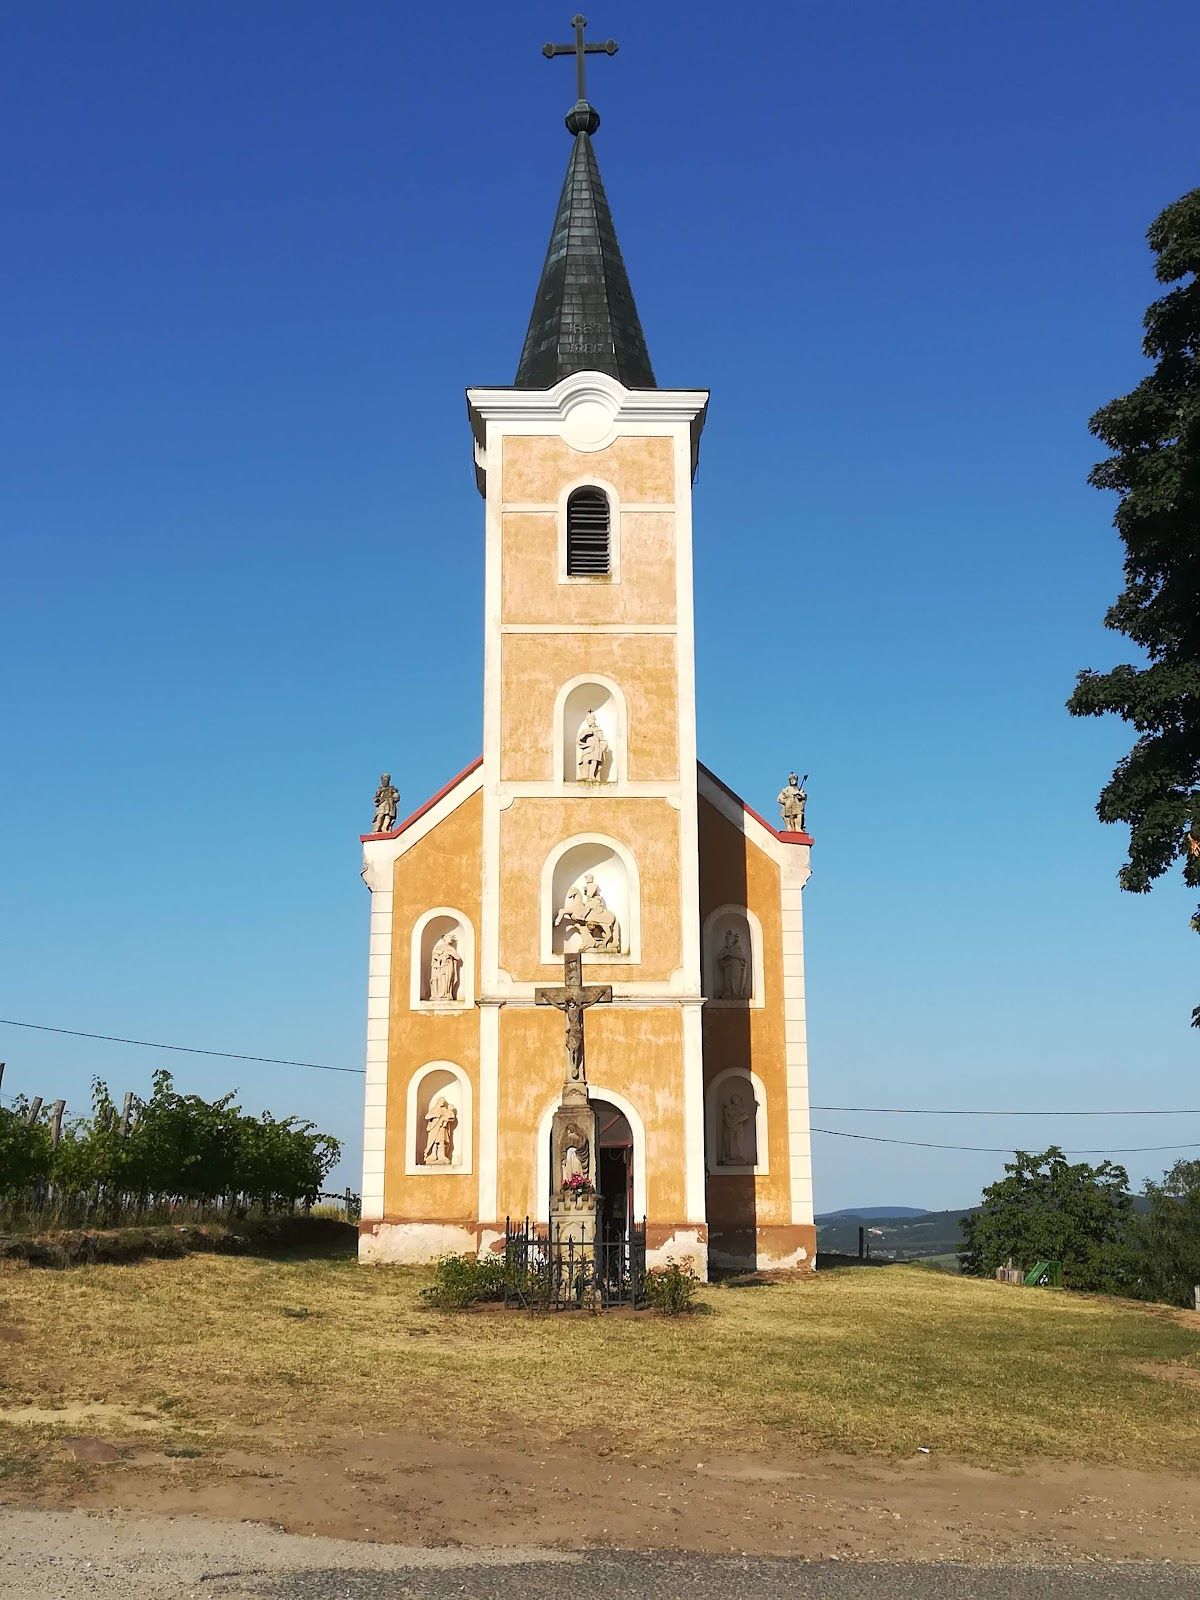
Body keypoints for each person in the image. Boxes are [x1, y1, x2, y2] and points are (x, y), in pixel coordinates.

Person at [720, 1091, 754, 1166]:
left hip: (738, 1128)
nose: (734, 1100)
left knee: (738, 1140)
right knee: (730, 1141)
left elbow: (745, 1116)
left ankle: (739, 1155)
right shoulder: (729, 1108)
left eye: (736, 1098)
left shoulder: (742, 1108)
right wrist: (726, 1113)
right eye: (733, 1099)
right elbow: (726, 1119)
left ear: (739, 1099)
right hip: (730, 1128)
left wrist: (736, 1121)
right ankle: (731, 1156)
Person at [576, 711, 611, 781]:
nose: (589, 721)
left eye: (590, 720)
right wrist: (585, 735)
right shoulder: (585, 730)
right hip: (587, 746)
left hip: (596, 746)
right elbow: (578, 740)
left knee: (594, 761)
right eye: (587, 720)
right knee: (585, 760)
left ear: (594, 720)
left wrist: (604, 746)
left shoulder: (598, 730)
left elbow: (602, 740)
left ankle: (592, 776)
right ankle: (585, 775)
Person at [423, 1096, 457, 1166]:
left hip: (442, 1128)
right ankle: (433, 1155)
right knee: (434, 1142)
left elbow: (451, 1118)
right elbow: (427, 1116)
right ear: (439, 1101)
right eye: (442, 1102)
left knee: (442, 1141)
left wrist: (446, 1119)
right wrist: (435, 1115)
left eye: (444, 1102)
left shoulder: (445, 1109)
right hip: (434, 1127)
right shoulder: (434, 1109)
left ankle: (442, 1155)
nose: (443, 1103)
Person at [428, 932, 462, 1001]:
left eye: (452, 939)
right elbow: (434, 957)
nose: (451, 940)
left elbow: (458, 958)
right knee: (439, 979)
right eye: (450, 938)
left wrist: (451, 953)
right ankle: (438, 994)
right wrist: (440, 958)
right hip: (440, 967)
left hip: (448, 966)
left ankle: (447, 994)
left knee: (448, 980)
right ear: (445, 938)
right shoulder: (439, 947)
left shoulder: (451, 948)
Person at [716, 929, 748, 999]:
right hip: (728, 965)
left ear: (733, 940)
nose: (728, 941)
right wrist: (726, 954)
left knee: (735, 978)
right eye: (727, 939)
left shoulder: (737, 948)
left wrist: (732, 954)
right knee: (728, 979)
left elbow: (743, 958)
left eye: (729, 939)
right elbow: (719, 957)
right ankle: (728, 992)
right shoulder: (725, 949)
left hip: (736, 965)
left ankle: (736, 992)